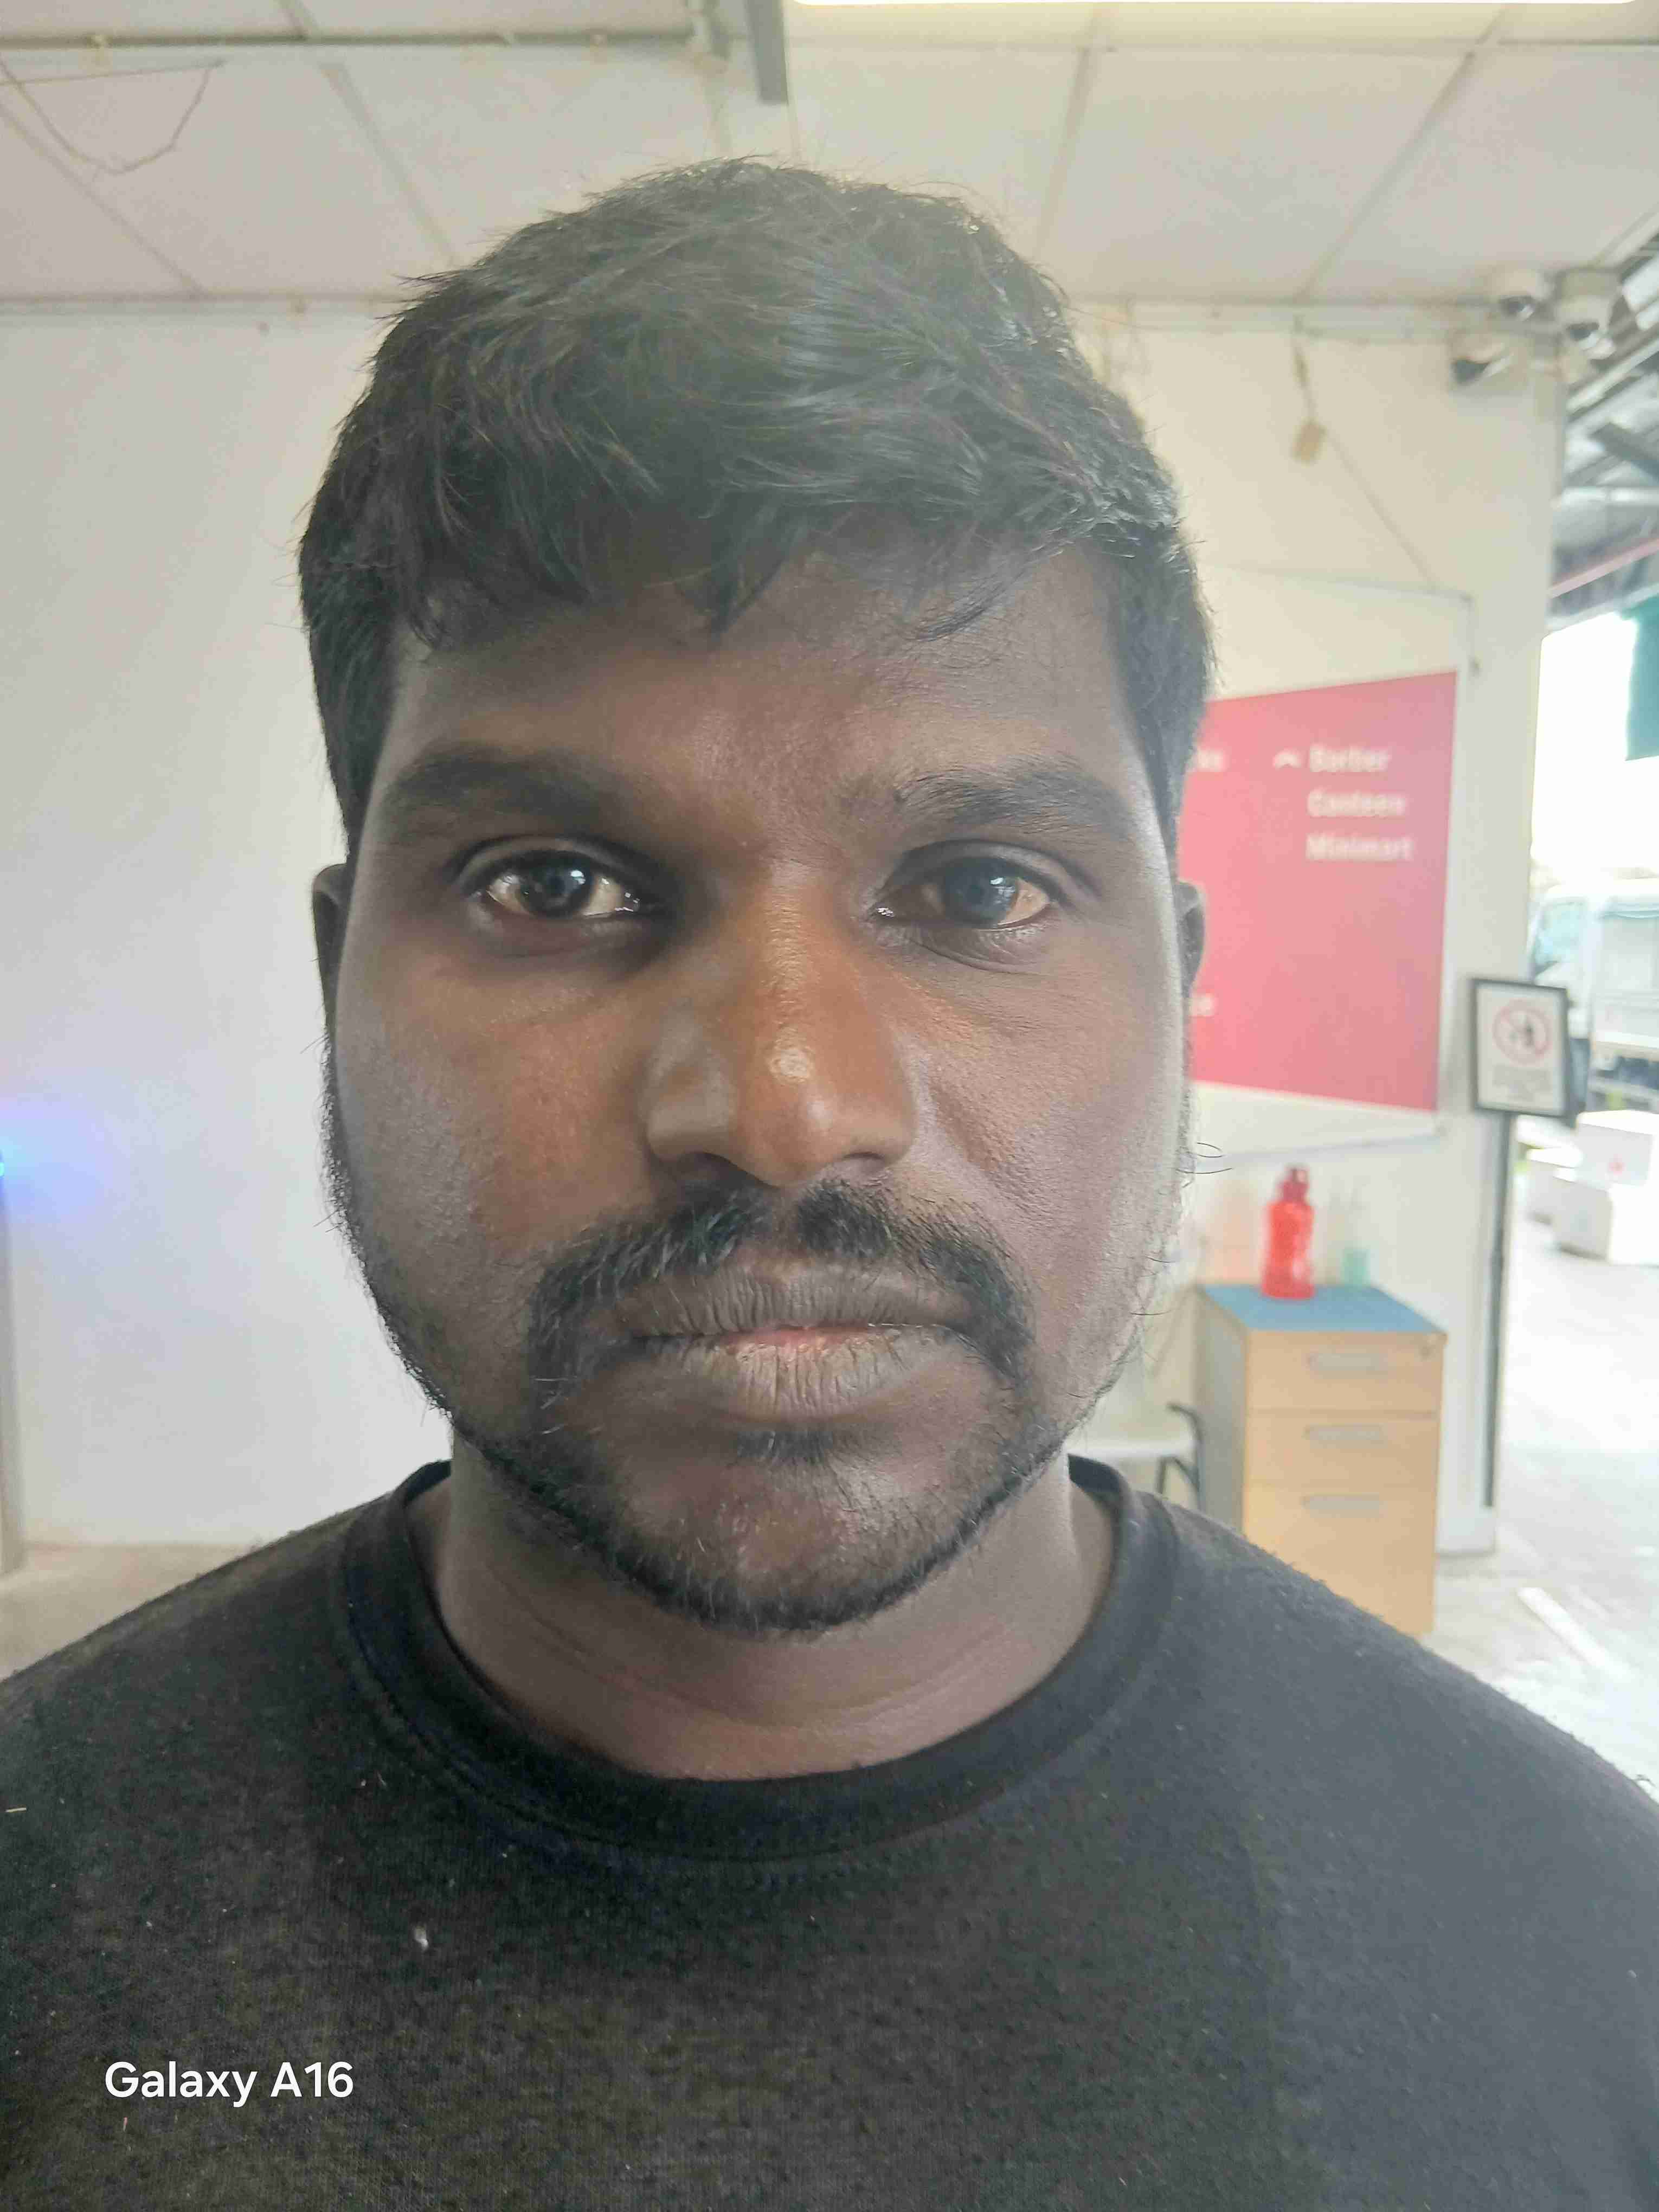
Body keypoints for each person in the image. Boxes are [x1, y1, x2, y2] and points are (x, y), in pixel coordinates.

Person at [3, 158, 1655, 2209]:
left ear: (1176, 992)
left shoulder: (1593, 1978)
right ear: (338, 982)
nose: (784, 1109)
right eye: (554, 884)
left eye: (976, 889)